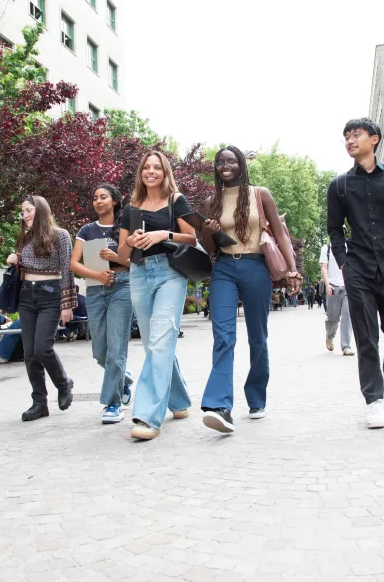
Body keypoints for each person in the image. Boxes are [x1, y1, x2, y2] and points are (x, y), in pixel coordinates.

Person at [198, 146, 301, 434]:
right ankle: (219, 406)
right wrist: (208, 230)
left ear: (241, 165)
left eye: (231, 161)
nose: (225, 165)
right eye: (220, 162)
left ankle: (256, 397)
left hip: (256, 267)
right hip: (224, 270)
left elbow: (279, 233)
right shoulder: (211, 201)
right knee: (223, 336)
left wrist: (293, 269)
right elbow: (210, 249)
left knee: (258, 337)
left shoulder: (260, 194)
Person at [327, 117, 384, 430]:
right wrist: (344, 263)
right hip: (360, 271)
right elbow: (334, 230)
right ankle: (373, 399)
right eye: (346, 137)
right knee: (366, 339)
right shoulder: (339, 186)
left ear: (374, 139)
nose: (350, 140)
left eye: (356, 135)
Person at [117, 151, 197, 441]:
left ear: (165, 172)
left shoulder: (176, 200)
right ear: (141, 172)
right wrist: (129, 240)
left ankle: (148, 416)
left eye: (157, 167)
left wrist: (164, 234)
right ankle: (179, 401)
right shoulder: (131, 207)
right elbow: (122, 254)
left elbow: (193, 237)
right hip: (139, 273)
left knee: (161, 341)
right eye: (147, 167)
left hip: (170, 273)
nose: (151, 171)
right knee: (155, 345)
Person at [5, 195, 76, 422]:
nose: (24, 215)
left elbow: (67, 269)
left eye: (28, 210)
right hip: (27, 294)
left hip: (50, 294)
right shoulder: (25, 238)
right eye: (22, 211)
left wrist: (67, 304)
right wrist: (14, 260)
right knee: (29, 353)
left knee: (42, 347)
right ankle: (39, 403)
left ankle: (63, 383)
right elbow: (25, 267)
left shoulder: (61, 235)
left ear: (41, 210)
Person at [70, 183, 135, 424]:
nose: (98, 201)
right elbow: (74, 263)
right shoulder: (87, 230)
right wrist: (97, 274)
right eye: (95, 197)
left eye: (104, 197)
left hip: (122, 287)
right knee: (100, 352)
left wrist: (115, 258)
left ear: (115, 201)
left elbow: (137, 263)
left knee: (116, 348)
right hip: (96, 289)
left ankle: (113, 404)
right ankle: (123, 378)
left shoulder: (124, 229)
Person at [321, 239, 354, 355]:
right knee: (333, 318)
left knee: (347, 315)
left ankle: (346, 346)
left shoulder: (350, 247)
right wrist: (327, 285)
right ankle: (329, 336)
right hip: (333, 287)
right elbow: (324, 268)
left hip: (347, 286)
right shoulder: (327, 249)